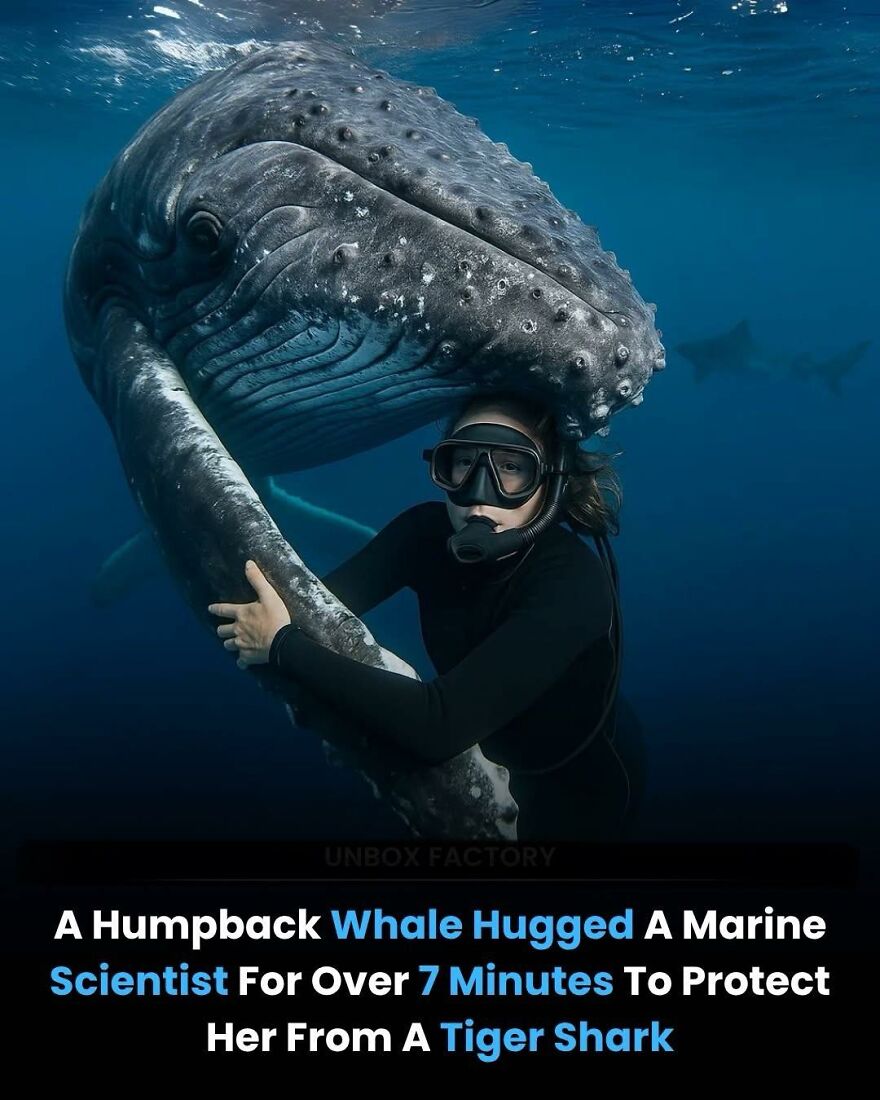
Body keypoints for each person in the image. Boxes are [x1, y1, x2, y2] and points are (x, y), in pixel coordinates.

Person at [207, 393, 646, 840]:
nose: (478, 494)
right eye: (463, 463)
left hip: (576, 796)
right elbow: (312, 609)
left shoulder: (573, 584)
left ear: (549, 482)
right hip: (472, 745)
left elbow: (438, 728)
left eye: (511, 468)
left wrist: (281, 646)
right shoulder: (424, 534)